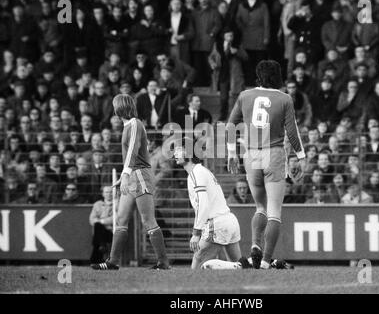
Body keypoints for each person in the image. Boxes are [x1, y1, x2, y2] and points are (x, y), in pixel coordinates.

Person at [227, 60, 306, 269]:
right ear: (278, 76)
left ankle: (255, 244)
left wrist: (231, 154)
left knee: (260, 207)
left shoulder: (245, 95)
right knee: (274, 211)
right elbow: (292, 131)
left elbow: (229, 126)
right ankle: (265, 260)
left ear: (258, 75)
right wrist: (301, 156)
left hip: (251, 156)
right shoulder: (285, 98)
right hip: (274, 154)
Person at [92, 94, 170, 270]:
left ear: (119, 108)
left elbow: (133, 151)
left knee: (148, 220)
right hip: (132, 175)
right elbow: (130, 155)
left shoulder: (135, 123)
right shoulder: (129, 125)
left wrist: (126, 174)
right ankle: (113, 261)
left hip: (140, 175)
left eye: (114, 106)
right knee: (120, 218)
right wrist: (124, 175)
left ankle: (163, 262)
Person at [173, 137, 242, 270]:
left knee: (197, 265)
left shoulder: (195, 174)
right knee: (240, 268)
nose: (175, 154)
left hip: (217, 223)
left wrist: (196, 233)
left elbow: (203, 205)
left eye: (178, 150)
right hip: (229, 221)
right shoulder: (203, 171)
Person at [89, 185, 116, 264]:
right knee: (98, 227)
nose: (109, 194)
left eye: (111, 192)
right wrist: (102, 222)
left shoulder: (117, 204)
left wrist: (102, 221)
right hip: (101, 233)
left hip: (111, 232)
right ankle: (102, 245)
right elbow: (91, 220)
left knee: (98, 226)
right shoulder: (97, 204)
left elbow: (115, 219)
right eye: (107, 192)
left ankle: (95, 258)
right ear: (103, 194)